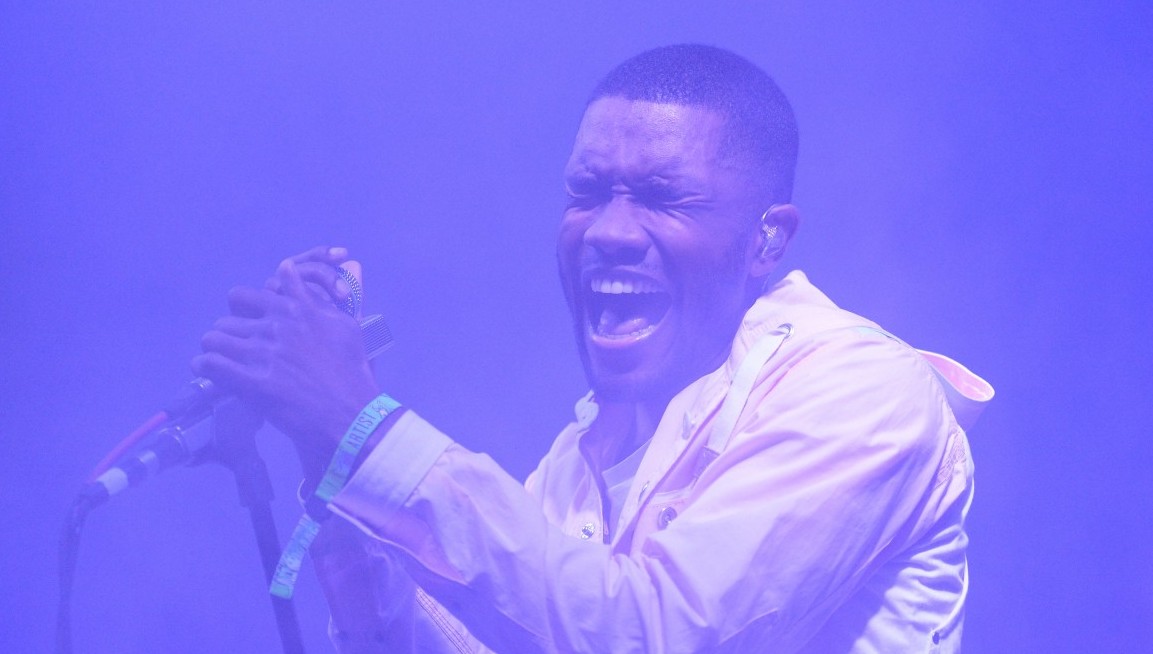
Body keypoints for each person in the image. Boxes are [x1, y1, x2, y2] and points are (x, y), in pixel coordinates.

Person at [193, 44, 993, 653]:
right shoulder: (582, 459)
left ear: (766, 239)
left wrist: (362, 427)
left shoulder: (862, 392)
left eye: (660, 197)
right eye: (586, 193)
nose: (608, 232)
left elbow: (650, 633)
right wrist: (325, 449)